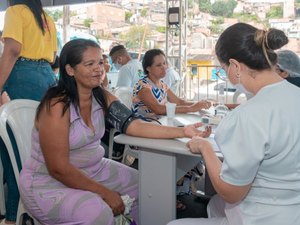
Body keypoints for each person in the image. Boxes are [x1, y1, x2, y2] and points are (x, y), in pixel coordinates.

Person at [18, 38, 212, 225]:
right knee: (97, 213)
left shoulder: (101, 96)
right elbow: (58, 168)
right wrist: (105, 192)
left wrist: (182, 131)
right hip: (49, 181)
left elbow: (134, 125)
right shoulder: (57, 106)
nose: (99, 68)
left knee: (145, 187)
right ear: (70, 69)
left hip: (93, 169)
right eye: (90, 64)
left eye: (100, 62)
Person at [167, 23, 300, 225]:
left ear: (235, 66)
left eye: (223, 69)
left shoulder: (249, 115)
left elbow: (231, 193)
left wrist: (204, 147)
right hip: (292, 208)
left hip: (262, 217)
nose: (226, 75)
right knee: (214, 205)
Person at [0, 0, 57, 224]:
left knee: (14, 151)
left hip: (22, 77)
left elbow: (13, 50)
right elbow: (53, 58)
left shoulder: (16, 11)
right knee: (39, 152)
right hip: (47, 79)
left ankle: (14, 217)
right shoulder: (46, 17)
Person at [132, 49, 211, 119]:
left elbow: (179, 102)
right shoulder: (143, 87)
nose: (164, 67)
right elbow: (158, 109)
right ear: (148, 68)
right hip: (143, 126)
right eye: (158, 65)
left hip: (159, 123)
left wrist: (200, 104)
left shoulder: (162, 84)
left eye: (164, 63)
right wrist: (191, 108)